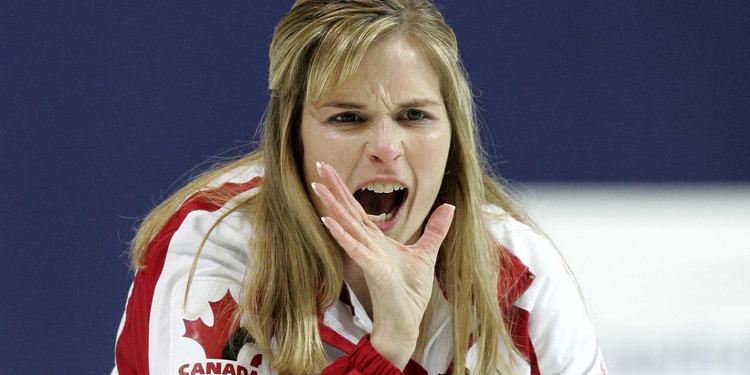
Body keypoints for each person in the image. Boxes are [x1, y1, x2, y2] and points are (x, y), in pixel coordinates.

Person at [113, 0, 607, 374]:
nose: (386, 147)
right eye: (348, 118)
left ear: (453, 132)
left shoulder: (516, 274)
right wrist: (388, 343)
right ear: (292, 139)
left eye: (414, 116)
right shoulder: (216, 246)